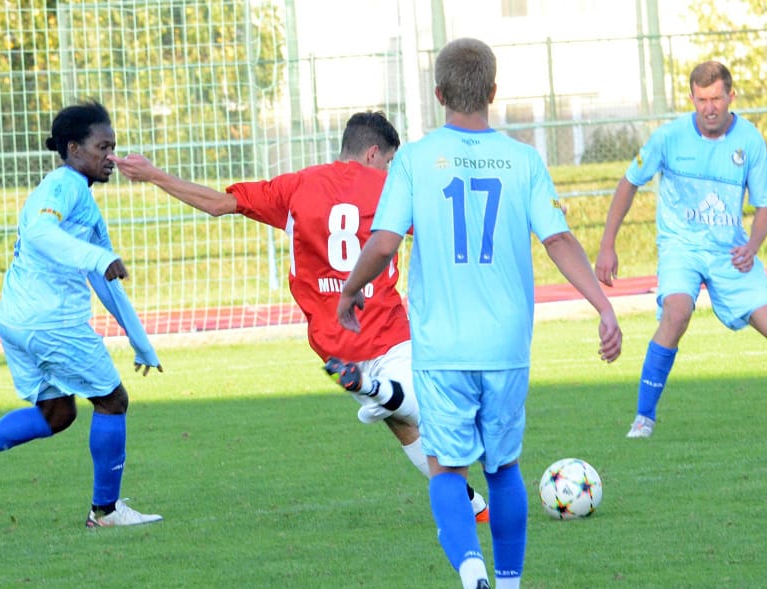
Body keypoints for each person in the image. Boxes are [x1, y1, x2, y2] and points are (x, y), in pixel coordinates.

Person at [336, 38, 622, 589]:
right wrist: (603, 307)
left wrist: (351, 290)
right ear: (493, 91)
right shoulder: (522, 160)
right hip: (505, 345)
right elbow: (558, 239)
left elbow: (383, 243)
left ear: (439, 93)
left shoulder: (415, 159)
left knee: (446, 469)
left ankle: (475, 583)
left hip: (442, 347)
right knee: (504, 468)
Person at [111, 111, 489, 520]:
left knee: (403, 425)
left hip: (334, 346)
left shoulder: (296, 186)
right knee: (429, 408)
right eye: (388, 161)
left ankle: (473, 506)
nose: (388, 169)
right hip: (387, 331)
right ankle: (382, 392)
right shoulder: (389, 188)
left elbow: (219, 204)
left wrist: (154, 174)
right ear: (373, 153)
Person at [0, 101, 164, 528]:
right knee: (112, 400)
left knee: (57, 413)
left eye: (113, 147)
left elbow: (104, 279)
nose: (112, 157)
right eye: (103, 147)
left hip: (19, 319)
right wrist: (96, 256)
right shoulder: (64, 186)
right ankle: (105, 511)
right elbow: (40, 232)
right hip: (51, 323)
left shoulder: (79, 198)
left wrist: (140, 342)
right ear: (74, 149)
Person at [594, 61, 767, 439]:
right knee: (676, 312)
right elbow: (629, 182)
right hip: (681, 246)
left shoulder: (749, 140)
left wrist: (752, 246)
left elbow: (765, 206)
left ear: (730, 96)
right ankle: (643, 418)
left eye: (716, 99)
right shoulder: (669, 137)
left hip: (730, 251)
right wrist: (607, 244)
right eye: (701, 100)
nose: (709, 108)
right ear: (692, 98)